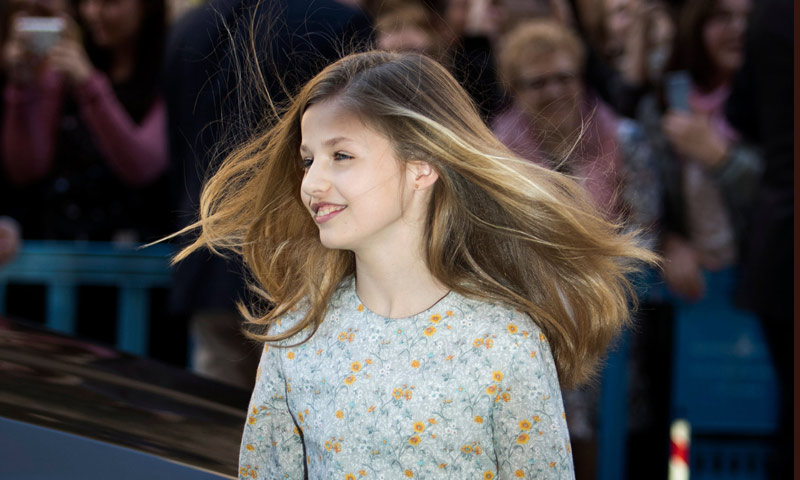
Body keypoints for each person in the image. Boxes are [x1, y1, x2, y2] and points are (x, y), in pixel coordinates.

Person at [173, 50, 655, 478]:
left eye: (341, 155)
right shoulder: (298, 333)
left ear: (422, 165)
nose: (312, 183)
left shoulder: (505, 342)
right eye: (307, 160)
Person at [163, 0, 371, 388]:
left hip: (210, 260)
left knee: (219, 424)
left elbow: (177, 157)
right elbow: (360, 151)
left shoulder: (189, 27)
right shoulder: (337, 21)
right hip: (306, 264)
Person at [1, 0, 170, 242]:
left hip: (137, 259)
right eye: (86, 1)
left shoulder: (168, 71)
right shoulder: (65, 69)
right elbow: (26, 168)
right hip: (64, 256)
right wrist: (21, 88)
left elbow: (144, 166)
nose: (92, 11)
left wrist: (88, 85)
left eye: (109, 3)